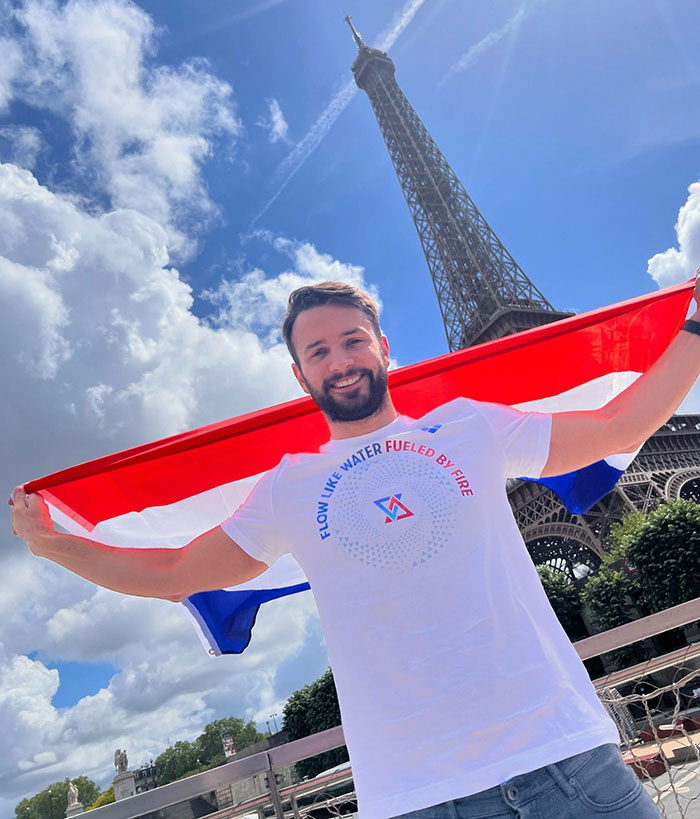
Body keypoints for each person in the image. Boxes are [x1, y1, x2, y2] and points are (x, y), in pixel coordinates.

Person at [11, 278, 700, 819]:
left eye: (352, 341)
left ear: (382, 346)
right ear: (300, 375)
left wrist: (695, 322)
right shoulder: (288, 489)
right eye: (319, 351)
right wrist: (53, 547)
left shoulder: (468, 427)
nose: (339, 361)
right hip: (418, 797)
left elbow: (620, 422)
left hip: (564, 760)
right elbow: (175, 571)